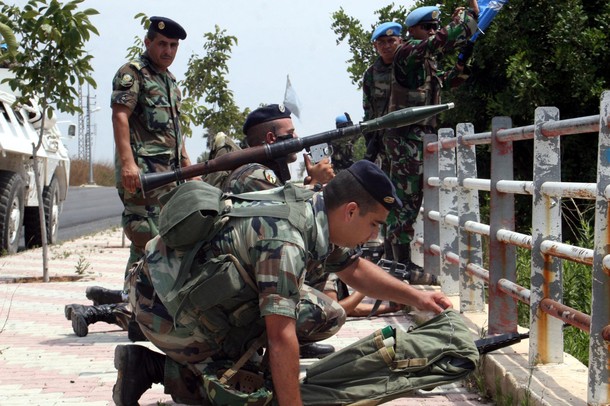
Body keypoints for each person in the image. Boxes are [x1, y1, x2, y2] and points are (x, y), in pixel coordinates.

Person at [112, 160, 453, 406]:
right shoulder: (286, 240)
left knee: (326, 313)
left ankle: (214, 360)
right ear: (350, 211)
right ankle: (154, 367)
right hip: (162, 308)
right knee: (253, 395)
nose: (374, 235)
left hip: (168, 286)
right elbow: (281, 335)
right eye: (374, 224)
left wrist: (415, 298)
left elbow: (354, 269)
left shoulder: (310, 204)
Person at [64, 16, 191, 338]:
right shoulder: (132, 73)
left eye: (173, 46)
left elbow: (177, 133)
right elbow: (120, 116)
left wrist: (189, 169)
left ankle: (132, 300)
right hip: (144, 174)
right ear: (148, 42)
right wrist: (128, 164)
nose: (168, 50)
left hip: (169, 175)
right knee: (143, 233)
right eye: (162, 44)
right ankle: (127, 306)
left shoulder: (171, 81)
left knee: (156, 240)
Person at [384, 4, 478, 265]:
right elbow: (445, 39)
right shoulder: (408, 52)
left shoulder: (424, 61)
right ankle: (400, 269)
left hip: (421, 140)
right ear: (413, 30)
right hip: (406, 141)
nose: (433, 31)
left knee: (416, 204)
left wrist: (462, 63)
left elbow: (447, 83)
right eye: (427, 27)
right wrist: (467, 15)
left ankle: (402, 267)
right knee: (404, 207)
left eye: (435, 27)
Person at [362, 21, 403, 167]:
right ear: (375, 46)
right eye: (381, 42)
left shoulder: (410, 65)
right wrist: (370, 138)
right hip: (384, 140)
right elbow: (368, 109)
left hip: (410, 135)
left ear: (400, 41)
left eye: (391, 41)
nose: (386, 46)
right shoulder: (371, 74)